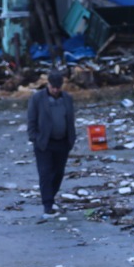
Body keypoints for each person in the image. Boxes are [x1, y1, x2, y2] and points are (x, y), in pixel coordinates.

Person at [26, 70, 76, 217]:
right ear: (48, 84)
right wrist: (34, 137)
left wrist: (71, 139)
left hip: (63, 142)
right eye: (53, 87)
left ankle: (51, 198)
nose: (55, 90)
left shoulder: (67, 98)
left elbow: (70, 119)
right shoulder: (37, 99)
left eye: (58, 87)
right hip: (44, 143)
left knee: (58, 173)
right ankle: (47, 204)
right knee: (45, 173)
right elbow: (31, 120)